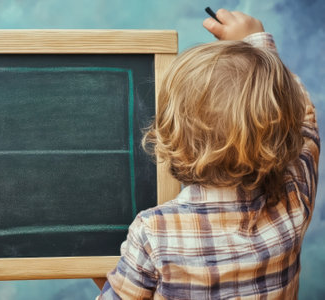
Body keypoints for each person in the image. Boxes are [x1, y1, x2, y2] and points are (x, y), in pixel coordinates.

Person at [97, 8, 319, 300]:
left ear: (169, 132)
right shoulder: (295, 199)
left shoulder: (154, 233)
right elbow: (306, 124)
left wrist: (99, 269)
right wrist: (257, 43)